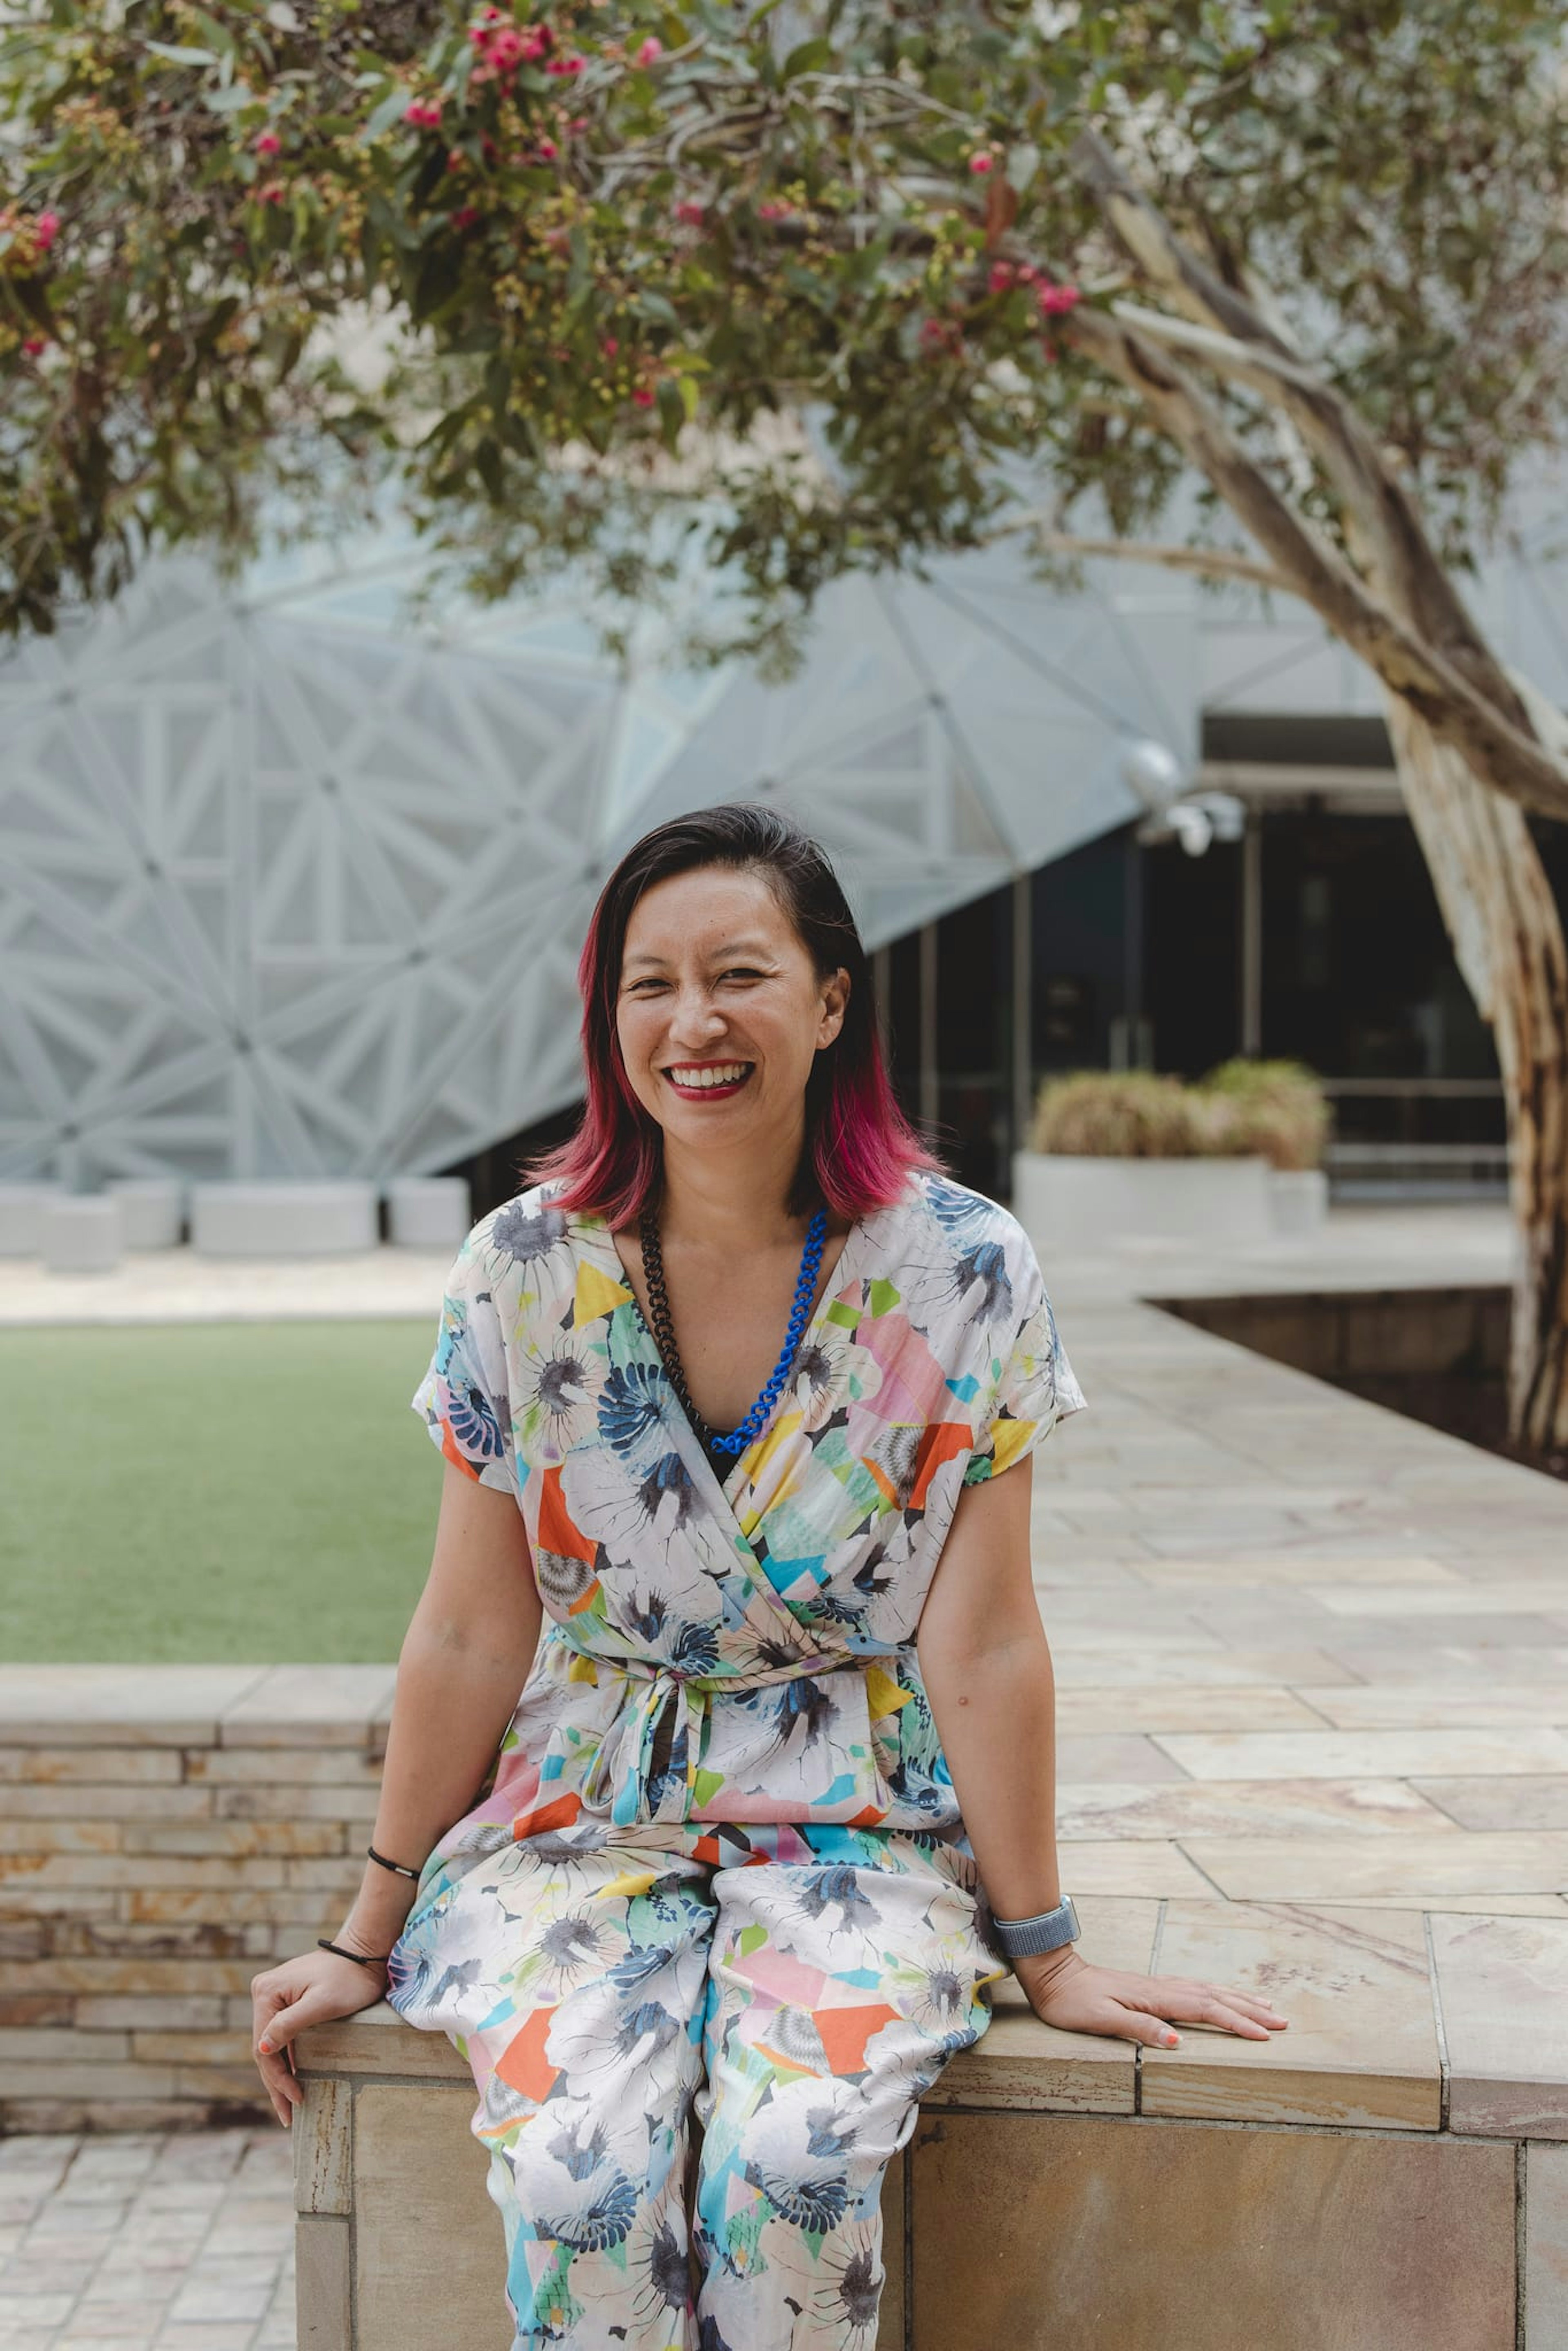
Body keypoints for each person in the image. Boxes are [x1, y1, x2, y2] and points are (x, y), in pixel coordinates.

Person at [250, 804, 1287, 2351]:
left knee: (796, 2163)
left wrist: (1048, 1951)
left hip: (858, 1821)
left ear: (829, 1000)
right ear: (611, 1021)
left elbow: (988, 1643)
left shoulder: (965, 1268)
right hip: (580, 1817)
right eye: (647, 984)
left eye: (738, 973)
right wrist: (364, 1929)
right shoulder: (522, 1271)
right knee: (572, 2179)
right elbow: (472, 1626)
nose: (695, 1023)